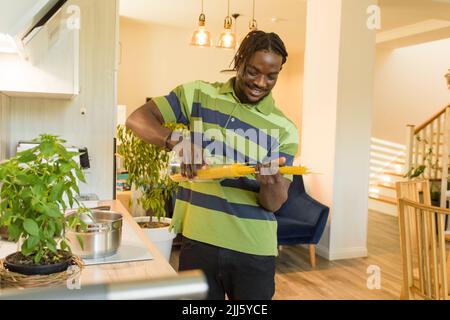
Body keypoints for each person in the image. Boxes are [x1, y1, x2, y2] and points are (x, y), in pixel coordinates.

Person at [126, 30, 299, 300]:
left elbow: (274, 204)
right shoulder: (198, 94)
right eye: (253, 71)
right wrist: (177, 140)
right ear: (239, 60)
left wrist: (272, 183)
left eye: (271, 76)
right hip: (198, 242)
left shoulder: (285, 128)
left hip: (253, 251)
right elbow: (137, 119)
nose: (261, 83)